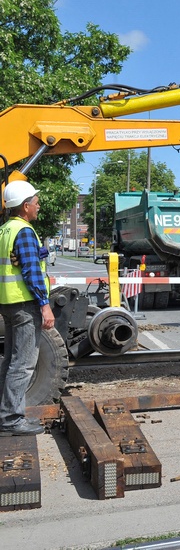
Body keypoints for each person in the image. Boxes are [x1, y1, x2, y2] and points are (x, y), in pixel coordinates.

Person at [0, 181, 53, 436]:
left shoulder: (5, 230)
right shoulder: (24, 231)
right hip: (25, 304)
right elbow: (32, 273)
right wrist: (45, 305)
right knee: (22, 365)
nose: (38, 206)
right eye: (35, 202)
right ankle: (11, 420)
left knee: (11, 362)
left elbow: (15, 263)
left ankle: (7, 415)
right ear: (25, 206)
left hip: (9, 304)